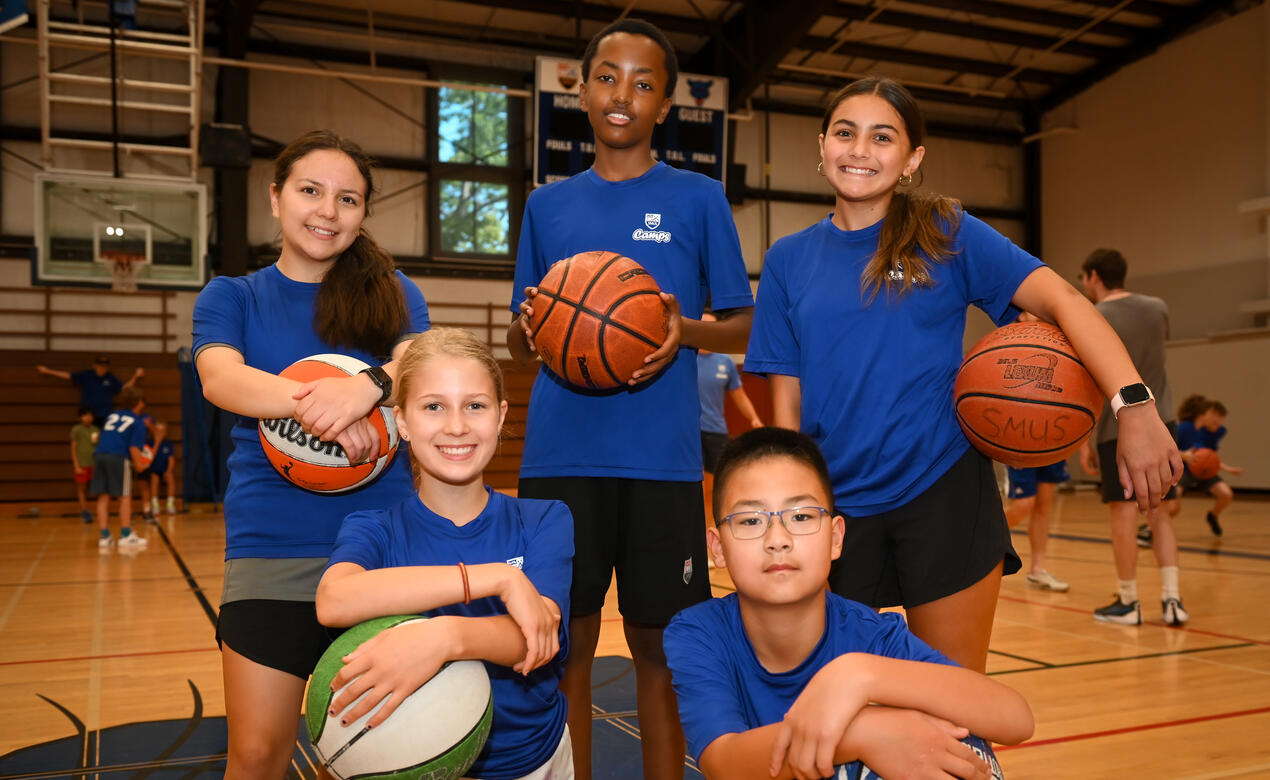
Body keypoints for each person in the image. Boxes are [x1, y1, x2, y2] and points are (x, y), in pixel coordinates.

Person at [745, 77, 1180, 672]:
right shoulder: (788, 259)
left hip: (943, 489)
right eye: (845, 134)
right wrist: (786, 506)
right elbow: (785, 403)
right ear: (822, 146)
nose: (860, 150)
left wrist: (1134, 406)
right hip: (832, 503)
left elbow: (1067, 304)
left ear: (911, 158)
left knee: (956, 703)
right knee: (833, 701)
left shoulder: (945, 231)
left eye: (883, 137)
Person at [506, 19, 754, 778]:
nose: (624, 94)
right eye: (608, 76)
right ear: (580, 90)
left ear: (667, 103)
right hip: (560, 457)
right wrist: (539, 327)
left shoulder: (699, 198)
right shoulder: (546, 206)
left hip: (663, 463)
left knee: (661, 647)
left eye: (645, 83)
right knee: (565, 643)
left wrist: (683, 331)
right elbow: (522, 336)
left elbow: (743, 325)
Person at [191, 130, 430, 779]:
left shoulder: (397, 294)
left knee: (373, 757)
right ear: (275, 197)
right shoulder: (232, 296)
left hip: (384, 552)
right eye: (310, 191)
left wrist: (368, 387)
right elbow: (222, 379)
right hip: (271, 548)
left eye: (347, 198)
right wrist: (321, 409)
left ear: (363, 212)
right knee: (258, 755)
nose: (328, 210)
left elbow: (420, 364)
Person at [663, 427, 1034, 780]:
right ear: (717, 547)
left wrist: (860, 675)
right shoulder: (698, 632)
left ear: (836, 538)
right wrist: (859, 733)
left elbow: (1015, 719)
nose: (778, 539)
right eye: (749, 521)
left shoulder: (873, 638)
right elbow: (723, 765)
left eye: (802, 516)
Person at [316, 328, 574, 779]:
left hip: (534, 762)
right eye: (434, 406)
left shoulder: (545, 519)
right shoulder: (373, 529)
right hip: (412, 761)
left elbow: (538, 637)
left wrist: (443, 638)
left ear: (500, 416)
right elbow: (334, 601)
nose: (456, 426)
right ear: (402, 422)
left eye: (475, 405)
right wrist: (496, 578)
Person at [1077, 248, 1186, 626]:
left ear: (1093, 276)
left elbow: (1088, 379)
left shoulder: (1094, 316)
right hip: (1162, 421)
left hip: (1118, 427)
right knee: (1160, 513)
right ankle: (1173, 599)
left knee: (1124, 515)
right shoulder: (1157, 307)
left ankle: (1128, 601)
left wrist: (1084, 441)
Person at [698, 311, 763, 528]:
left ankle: (715, 534)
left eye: (712, 327)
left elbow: (740, 396)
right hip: (690, 433)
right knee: (698, 487)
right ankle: (698, 537)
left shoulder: (725, 362)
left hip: (716, 431)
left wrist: (754, 419)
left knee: (719, 488)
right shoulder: (686, 358)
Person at [1171, 394, 1241, 537]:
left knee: (1226, 494)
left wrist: (1226, 468)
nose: (1215, 418)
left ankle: (1212, 516)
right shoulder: (1184, 428)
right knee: (1173, 506)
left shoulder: (1202, 431)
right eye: (1211, 412)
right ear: (1202, 413)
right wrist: (1185, 455)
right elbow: (1166, 448)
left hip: (1202, 469)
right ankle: (1150, 528)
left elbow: (1208, 457)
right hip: (1184, 469)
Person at [92, 387, 150, 550]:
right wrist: (140, 466)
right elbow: (133, 448)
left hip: (100, 455)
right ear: (139, 403)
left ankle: (105, 537)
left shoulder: (112, 416)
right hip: (118, 457)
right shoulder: (138, 422)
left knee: (103, 497)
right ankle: (126, 536)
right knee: (124, 496)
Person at [1004, 461, 1071, 592]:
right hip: (1021, 446)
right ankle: (979, 535)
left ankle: (1038, 570)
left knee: (1043, 506)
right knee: (1024, 504)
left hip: (1050, 447)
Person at [37, 356, 143, 428]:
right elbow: (68, 376)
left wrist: (135, 377)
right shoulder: (87, 375)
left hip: (104, 415)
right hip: (89, 414)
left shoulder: (110, 378)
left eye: (105, 366)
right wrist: (48, 371)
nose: (103, 368)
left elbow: (123, 388)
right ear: (95, 365)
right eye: (100, 365)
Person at [70, 406, 100, 524]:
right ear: (80, 417)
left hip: (94, 464)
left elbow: (99, 447)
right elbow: (73, 448)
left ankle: (99, 510)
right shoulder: (76, 429)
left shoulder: (96, 430)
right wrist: (76, 465)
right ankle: (84, 510)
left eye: (90, 415)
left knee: (97, 488)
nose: (88, 418)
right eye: (85, 415)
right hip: (82, 464)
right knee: (82, 488)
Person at [145, 420, 178, 517]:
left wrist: (168, 471)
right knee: (154, 480)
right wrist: (157, 442)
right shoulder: (149, 443)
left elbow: (171, 459)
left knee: (170, 479)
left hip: (165, 469)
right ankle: (155, 504)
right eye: (157, 431)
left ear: (166, 432)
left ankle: (170, 504)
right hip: (154, 469)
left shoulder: (168, 444)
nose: (160, 433)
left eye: (162, 431)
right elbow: (148, 458)